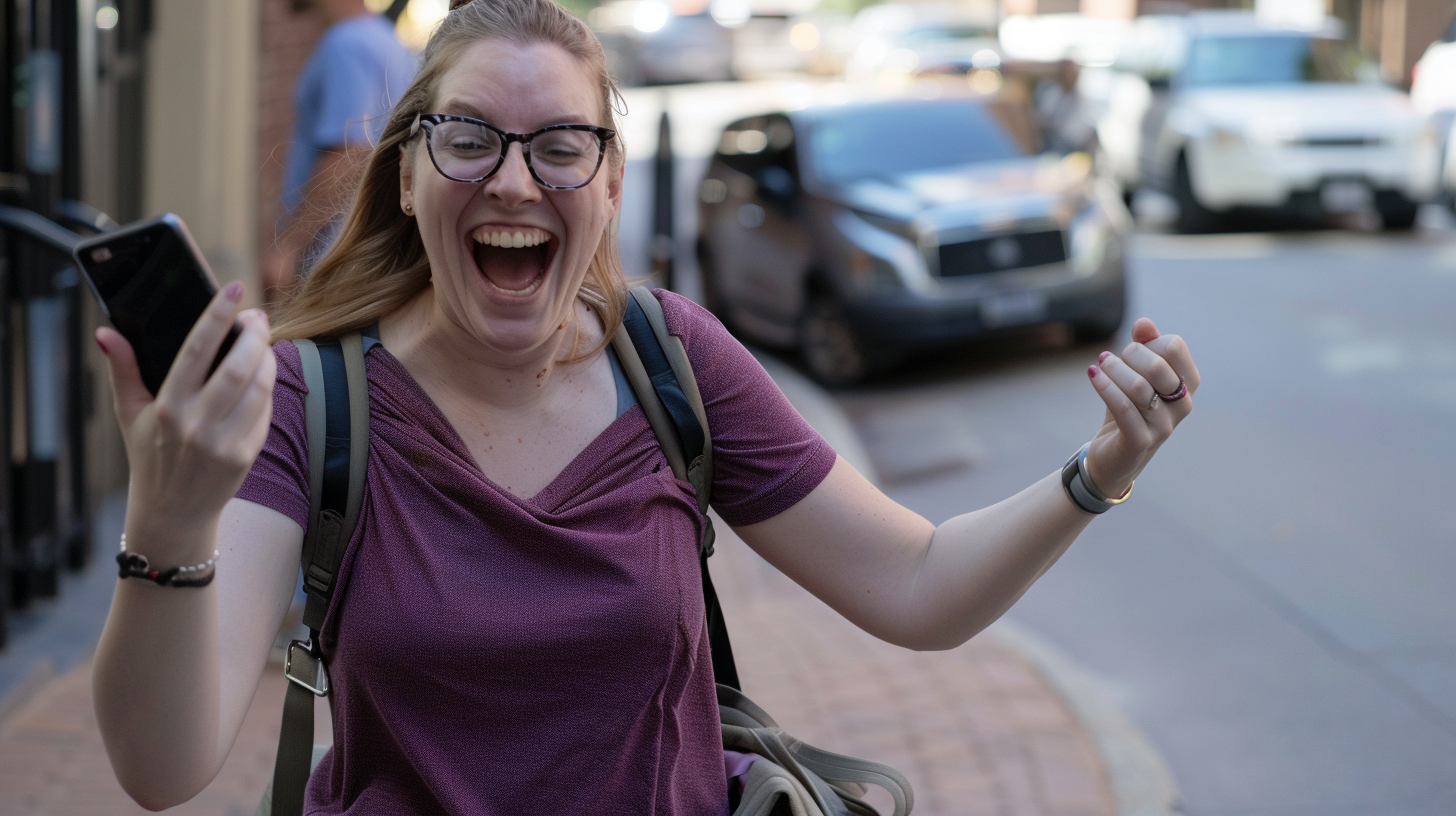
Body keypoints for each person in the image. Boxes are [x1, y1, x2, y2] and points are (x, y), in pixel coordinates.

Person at [89, 0, 1200, 812]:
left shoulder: (671, 361)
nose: (515, 183)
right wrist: (169, 521)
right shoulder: (313, 396)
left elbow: (916, 588)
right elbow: (161, 766)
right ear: (408, 175)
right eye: (469, 138)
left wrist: (1095, 474)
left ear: (612, 185)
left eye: (562, 147)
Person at [267, 0, 417, 299]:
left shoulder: (345, 43)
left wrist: (287, 249)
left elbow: (350, 154)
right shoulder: (389, 41)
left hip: (332, 267)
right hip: (371, 261)